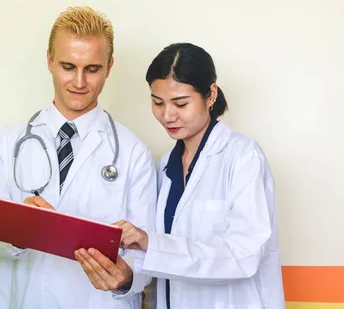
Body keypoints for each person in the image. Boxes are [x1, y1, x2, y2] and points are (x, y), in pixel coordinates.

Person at [0, 6, 157, 309]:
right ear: (49, 61)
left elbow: (147, 250)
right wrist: (17, 230)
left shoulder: (134, 153)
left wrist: (126, 277)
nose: (79, 82)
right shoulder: (8, 143)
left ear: (109, 67)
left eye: (92, 69)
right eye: (68, 66)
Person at [75, 42, 285, 308]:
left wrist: (152, 243)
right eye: (157, 102)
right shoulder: (165, 166)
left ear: (211, 95)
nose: (167, 115)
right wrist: (125, 271)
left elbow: (245, 256)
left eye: (180, 103)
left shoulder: (243, 157)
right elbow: (153, 261)